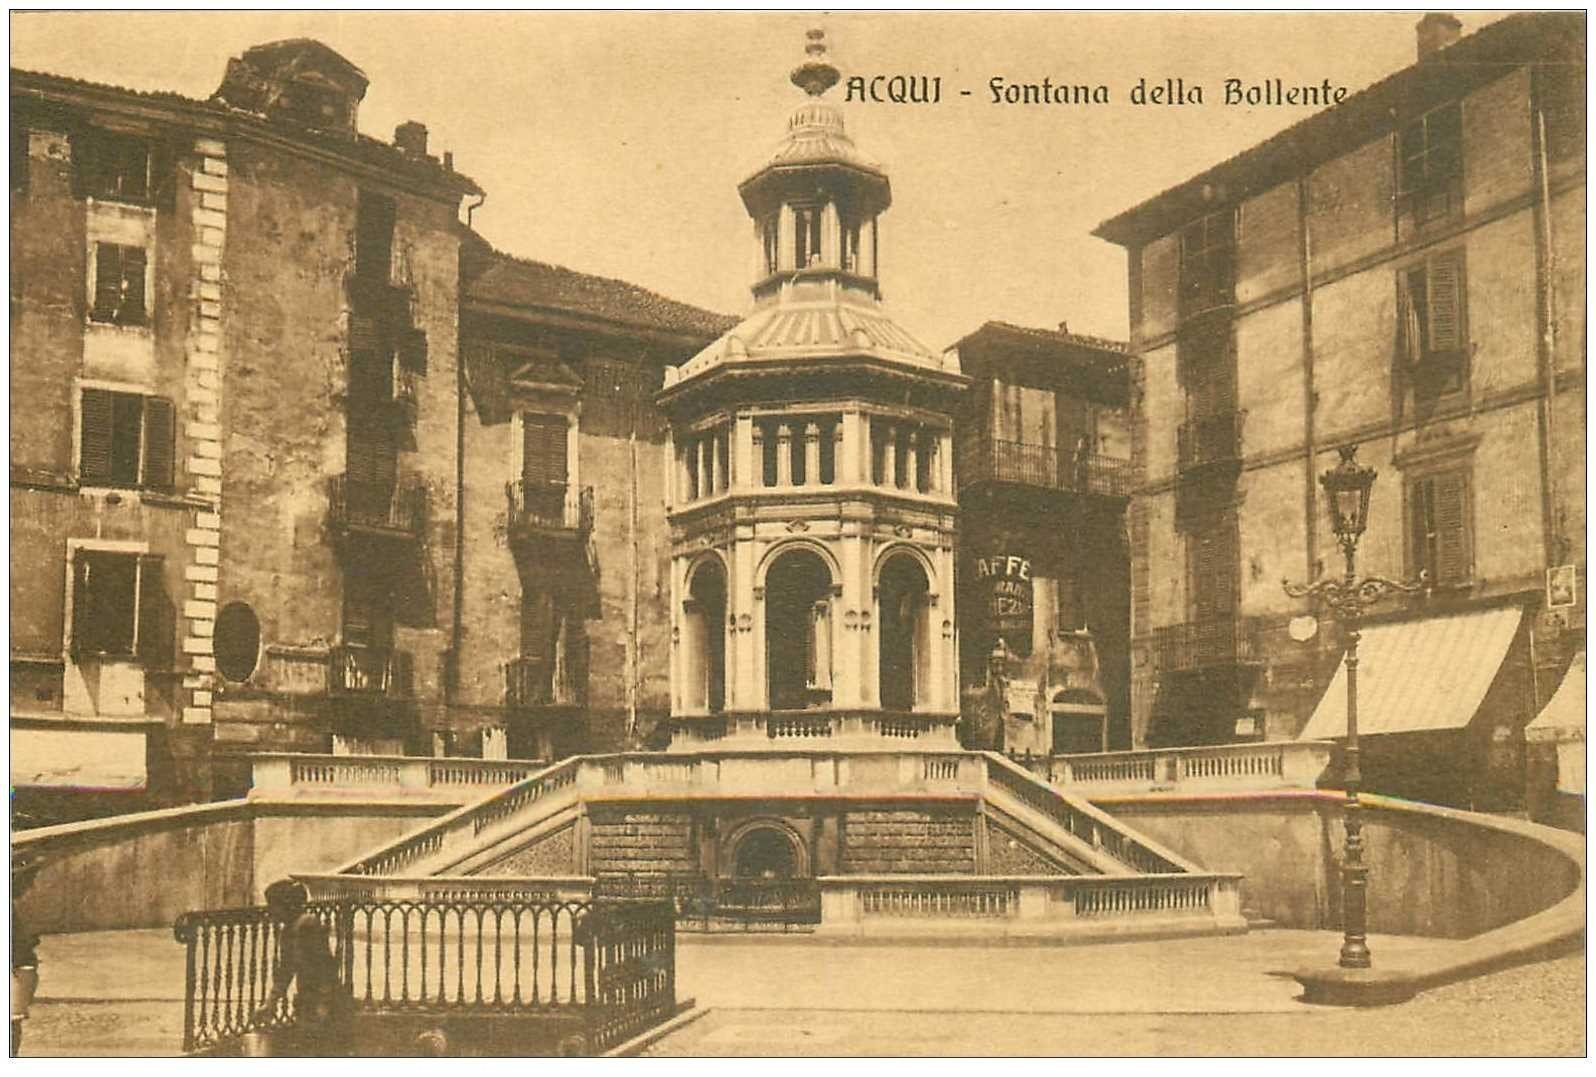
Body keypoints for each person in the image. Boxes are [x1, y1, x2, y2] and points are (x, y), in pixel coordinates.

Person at [253, 879, 350, 1056]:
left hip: (322, 1000)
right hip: (308, 999)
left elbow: (325, 967)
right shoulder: (288, 930)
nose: (270, 911)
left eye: (273, 906)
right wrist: (270, 1003)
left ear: (286, 905)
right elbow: (286, 970)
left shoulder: (307, 925)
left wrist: (324, 1002)